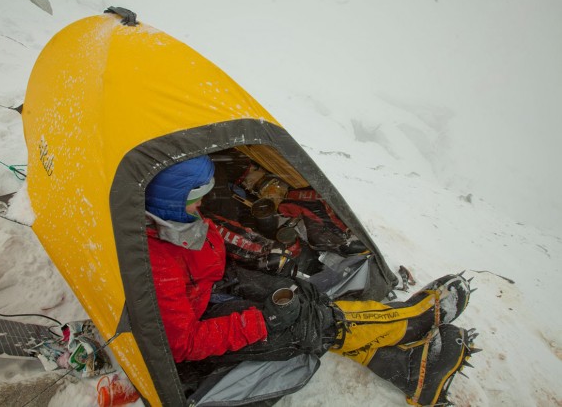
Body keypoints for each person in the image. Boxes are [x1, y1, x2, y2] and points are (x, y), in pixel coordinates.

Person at [145, 155, 477, 406]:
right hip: (203, 325)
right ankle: (408, 320)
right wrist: (261, 321)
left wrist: (263, 257)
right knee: (304, 323)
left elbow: (213, 235)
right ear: (171, 200)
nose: (202, 200)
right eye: (196, 194)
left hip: (217, 287)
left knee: (304, 295)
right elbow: (182, 343)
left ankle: (406, 368)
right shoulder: (159, 263)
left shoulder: (180, 220)